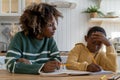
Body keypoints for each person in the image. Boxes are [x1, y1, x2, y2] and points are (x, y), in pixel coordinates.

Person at [5, 3, 63, 74]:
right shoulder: (19, 38)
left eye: (55, 24)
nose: (55, 28)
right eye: (50, 25)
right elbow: (10, 65)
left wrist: (30, 64)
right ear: (37, 25)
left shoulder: (50, 40)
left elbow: (57, 60)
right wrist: (42, 67)